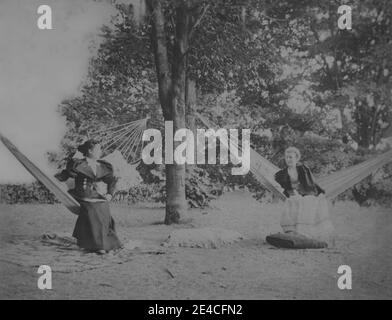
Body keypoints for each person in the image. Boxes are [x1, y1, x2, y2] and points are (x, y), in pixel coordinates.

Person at [56, 140, 122, 254]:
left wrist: (110, 194)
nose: (101, 151)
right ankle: (97, 245)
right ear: (90, 151)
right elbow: (65, 174)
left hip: (93, 194)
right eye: (98, 149)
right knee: (94, 207)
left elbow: (111, 181)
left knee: (104, 204)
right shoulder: (77, 164)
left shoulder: (102, 165)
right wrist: (54, 180)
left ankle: (105, 242)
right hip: (80, 193)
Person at [274, 147, 334, 242]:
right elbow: (283, 187)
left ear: (296, 159)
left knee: (308, 201)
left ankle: (305, 232)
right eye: (287, 157)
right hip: (293, 194)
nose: (288, 159)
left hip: (306, 193)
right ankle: (292, 232)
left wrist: (318, 192)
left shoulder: (303, 169)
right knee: (293, 201)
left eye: (291, 157)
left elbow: (311, 184)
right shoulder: (281, 174)